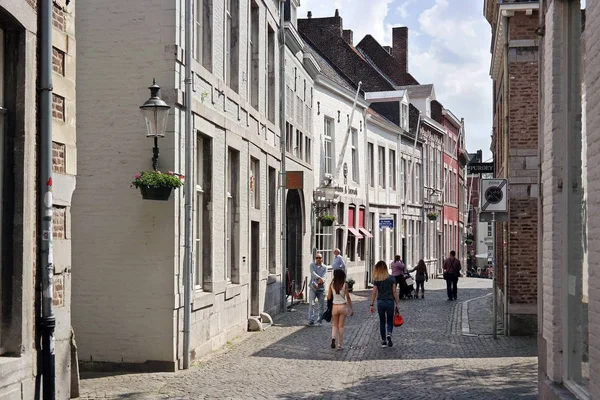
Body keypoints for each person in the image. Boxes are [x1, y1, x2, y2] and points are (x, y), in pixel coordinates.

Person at [369, 261, 400, 348]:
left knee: (382, 321)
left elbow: (374, 292)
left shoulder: (377, 279)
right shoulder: (392, 278)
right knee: (390, 320)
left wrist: (371, 304)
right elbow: (394, 292)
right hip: (390, 302)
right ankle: (389, 334)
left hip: (380, 303)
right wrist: (397, 303)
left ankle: (383, 341)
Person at [327, 269, 354, 350]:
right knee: (341, 326)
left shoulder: (332, 284)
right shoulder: (345, 285)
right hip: (342, 306)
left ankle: (333, 338)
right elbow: (348, 297)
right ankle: (339, 345)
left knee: (334, 325)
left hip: (334, 306)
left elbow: (328, 297)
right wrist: (351, 309)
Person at [307, 253, 328, 326]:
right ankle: (311, 320)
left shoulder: (325, 267)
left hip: (321, 289)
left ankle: (319, 321)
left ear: (322, 258)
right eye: (317, 258)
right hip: (313, 288)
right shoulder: (312, 265)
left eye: (319, 258)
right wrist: (319, 279)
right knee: (311, 304)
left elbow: (324, 277)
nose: (318, 259)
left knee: (321, 306)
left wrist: (318, 283)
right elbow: (312, 273)